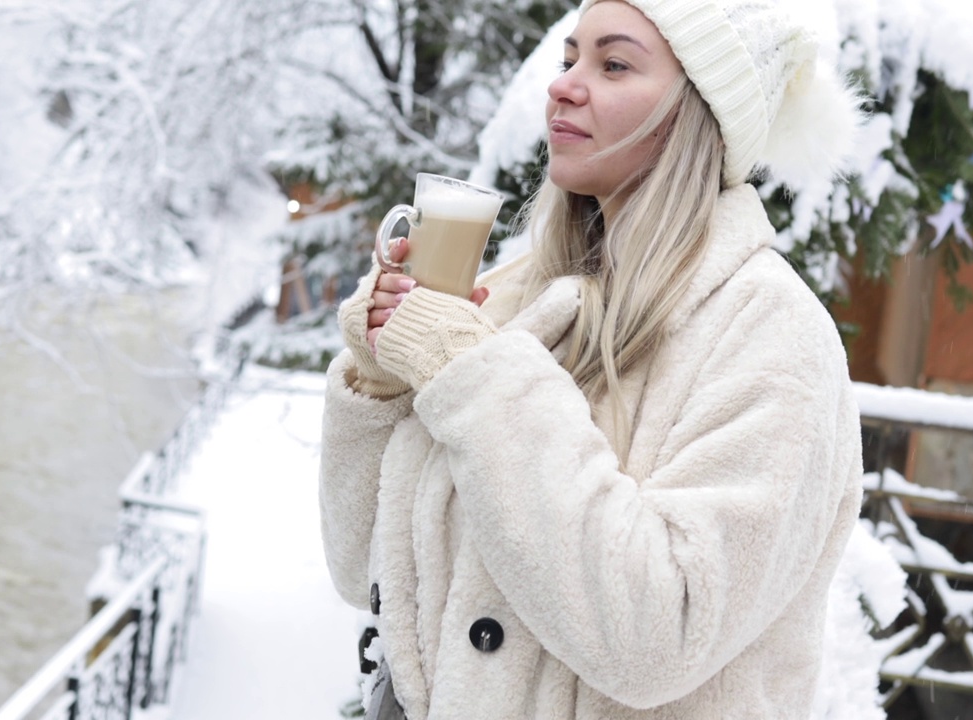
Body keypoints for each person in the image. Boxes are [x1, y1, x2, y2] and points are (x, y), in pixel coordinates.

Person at [319, 0, 866, 717]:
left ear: (699, 113)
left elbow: (657, 638)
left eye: (613, 64)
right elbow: (369, 572)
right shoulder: (518, 299)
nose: (565, 85)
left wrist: (474, 381)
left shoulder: (772, 335)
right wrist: (381, 378)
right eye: (569, 58)